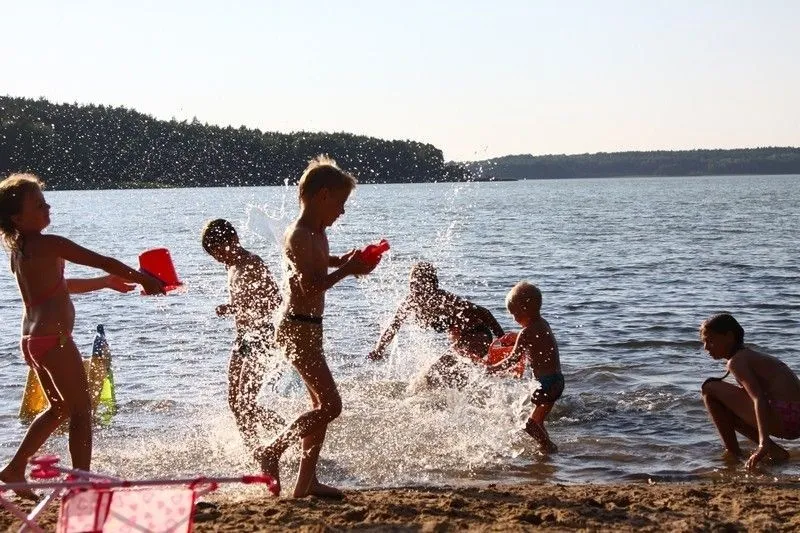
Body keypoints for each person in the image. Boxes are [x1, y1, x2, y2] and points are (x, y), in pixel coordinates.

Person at [0, 173, 164, 497]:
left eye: (45, 200)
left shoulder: (21, 251)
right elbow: (100, 259)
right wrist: (143, 278)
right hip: (56, 340)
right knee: (82, 411)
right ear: (18, 217)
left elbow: (61, 288)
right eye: (38, 204)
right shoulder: (50, 244)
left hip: (32, 342)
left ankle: (15, 467)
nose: (47, 206)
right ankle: (81, 482)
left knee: (60, 409)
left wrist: (104, 282)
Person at [257, 156, 376, 498]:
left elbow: (319, 265)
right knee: (331, 406)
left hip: (308, 327)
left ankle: (306, 482)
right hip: (297, 327)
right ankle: (272, 450)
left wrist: (350, 261)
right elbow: (309, 287)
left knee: (319, 406)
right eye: (340, 203)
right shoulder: (300, 235)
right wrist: (347, 271)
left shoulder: (316, 233)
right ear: (323, 195)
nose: (342, 212)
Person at [202, 218, 285, 453]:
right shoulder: (231, 266)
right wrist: (233, 307)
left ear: (234, 240)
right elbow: (244, 299)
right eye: (214, 255)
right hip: (242, 340)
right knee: (235, 402)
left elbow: (275, 301)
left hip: (262, 338)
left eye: (220, 251)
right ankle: (254, 447)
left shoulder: (253, 263)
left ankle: (283, 435)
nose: (219, 258)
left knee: (246, 402)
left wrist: (235, 309)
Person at [368, 261, 504, 387]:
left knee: (433, 374)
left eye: (419, 284)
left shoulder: (444, 299)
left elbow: (484, 313)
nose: (414, 289)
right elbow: (393, 327)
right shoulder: (410, 302)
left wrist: (504, 341)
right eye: (411, 284)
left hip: (477, 335)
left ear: (432, 285)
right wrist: (378, 350)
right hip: (460, 342)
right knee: (444, 379)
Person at [700, 313, 800, 469]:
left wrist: (763, 444)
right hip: (794, 418)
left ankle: (734, 454)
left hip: (787, 417)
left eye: (710, 340)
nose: (706, 347)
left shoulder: (737, 361)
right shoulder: (749, 356)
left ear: (729, 336)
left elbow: (758, 398)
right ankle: (775, 451)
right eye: (704, 342)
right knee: (726, 407)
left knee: (709, 389)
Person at [488, 281, 562, 454]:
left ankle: (549, 448)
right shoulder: (543, 323)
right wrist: (518, 337)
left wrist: (492, 368)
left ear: (522, 310)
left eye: (513, 314)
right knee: (537, 421)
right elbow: (537, 342)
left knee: (529, 424)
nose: (513, 318)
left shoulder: (526, 333)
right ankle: (546, 447)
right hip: (556, 381)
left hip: (546, 384)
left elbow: (513, 358)